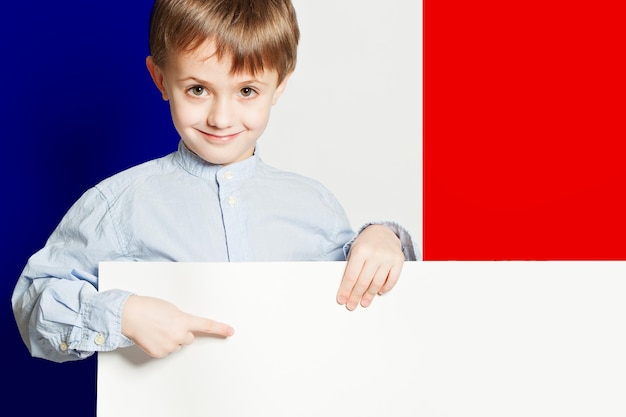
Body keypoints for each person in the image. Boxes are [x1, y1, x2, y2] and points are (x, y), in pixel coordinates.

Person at [12, 0, 419, 363]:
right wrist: (122, 316)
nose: (221, 118)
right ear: (160, 79)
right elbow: (33, 305)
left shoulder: (315, 205)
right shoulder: (118, 205)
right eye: (198, 89)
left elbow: (366, 294)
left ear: (280, 84)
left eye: (246, 90)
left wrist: (385, 238)